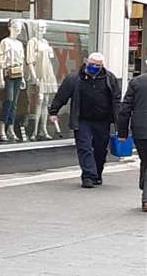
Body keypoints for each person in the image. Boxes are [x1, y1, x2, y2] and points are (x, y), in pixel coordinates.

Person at [50, 51, 120, 189]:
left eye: (97, 65)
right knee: (85, 147)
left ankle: (97, 173)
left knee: (100, 150)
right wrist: (54, 111)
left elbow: (116, 99)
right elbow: (61, 96)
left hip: (102, 120)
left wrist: (120, 121)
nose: (94, 67)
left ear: (102, 66)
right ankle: (88, 176)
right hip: (82, 120)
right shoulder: (74, 78)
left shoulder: (109, 78)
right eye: (92, 64)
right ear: (87, 62)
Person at [118, 66, 147, 212]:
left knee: (145, 160)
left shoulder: (136, 82)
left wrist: (122, 133)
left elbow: (125, 109)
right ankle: (146, 198)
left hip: (140, 131)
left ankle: (144, 188)